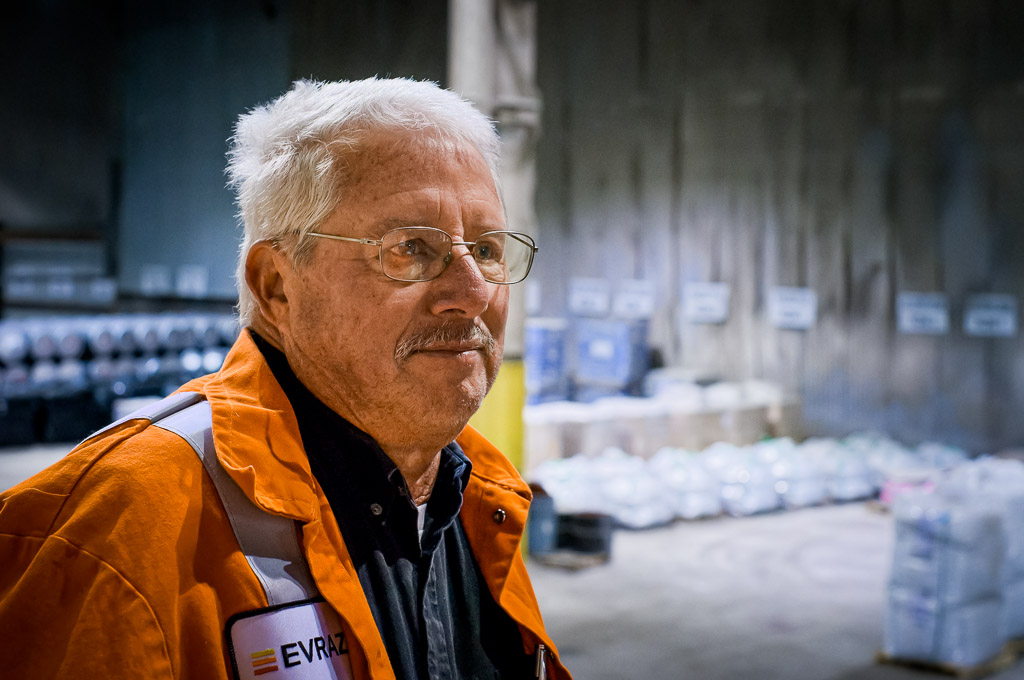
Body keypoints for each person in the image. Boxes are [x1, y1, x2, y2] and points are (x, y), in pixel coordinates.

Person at [0, 78, 570, 680]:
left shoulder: (482, 498)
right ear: (276, 284)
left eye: (486, 249)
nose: (474, 293)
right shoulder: (122, 531)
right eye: (410, 249)